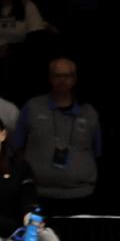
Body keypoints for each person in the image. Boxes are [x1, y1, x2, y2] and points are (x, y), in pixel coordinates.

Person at [11, 59, 98, 215]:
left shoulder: (89, 112)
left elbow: (97, 152)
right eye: (57, 75)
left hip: (81, 195)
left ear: (75, 79)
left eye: (67, 76)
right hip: (39, 194)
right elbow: (17, 147)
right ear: (50, 78)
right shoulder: (32, 107)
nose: (62, 80)